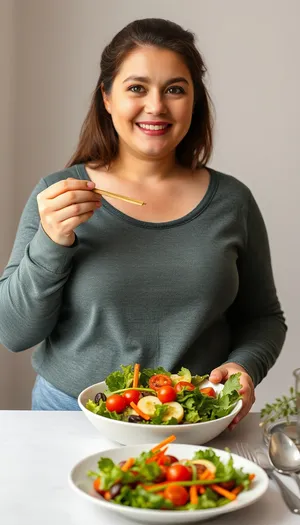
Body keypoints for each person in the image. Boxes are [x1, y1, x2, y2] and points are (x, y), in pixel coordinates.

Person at [0, 18, 286, 426]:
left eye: (175, 89)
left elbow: (263, 318)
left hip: (194, 421)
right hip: (67, 419)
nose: (156, 106)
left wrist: (244, 367)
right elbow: (13, 333)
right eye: (137, 88)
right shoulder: (58, 193)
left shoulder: (233, 201)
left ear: (195, 101)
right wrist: (51, 240)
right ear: (107, 97)